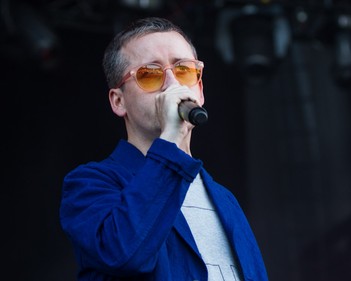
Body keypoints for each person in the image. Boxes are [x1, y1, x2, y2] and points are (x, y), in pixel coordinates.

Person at [59, 17, 268, 281]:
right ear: (118, 101)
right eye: (150, 74)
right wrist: (170, 141)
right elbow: (125, 255)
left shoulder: (224, 199)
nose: (173, 85)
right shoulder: (89, 185)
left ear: (199, 90)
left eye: (184, 71)